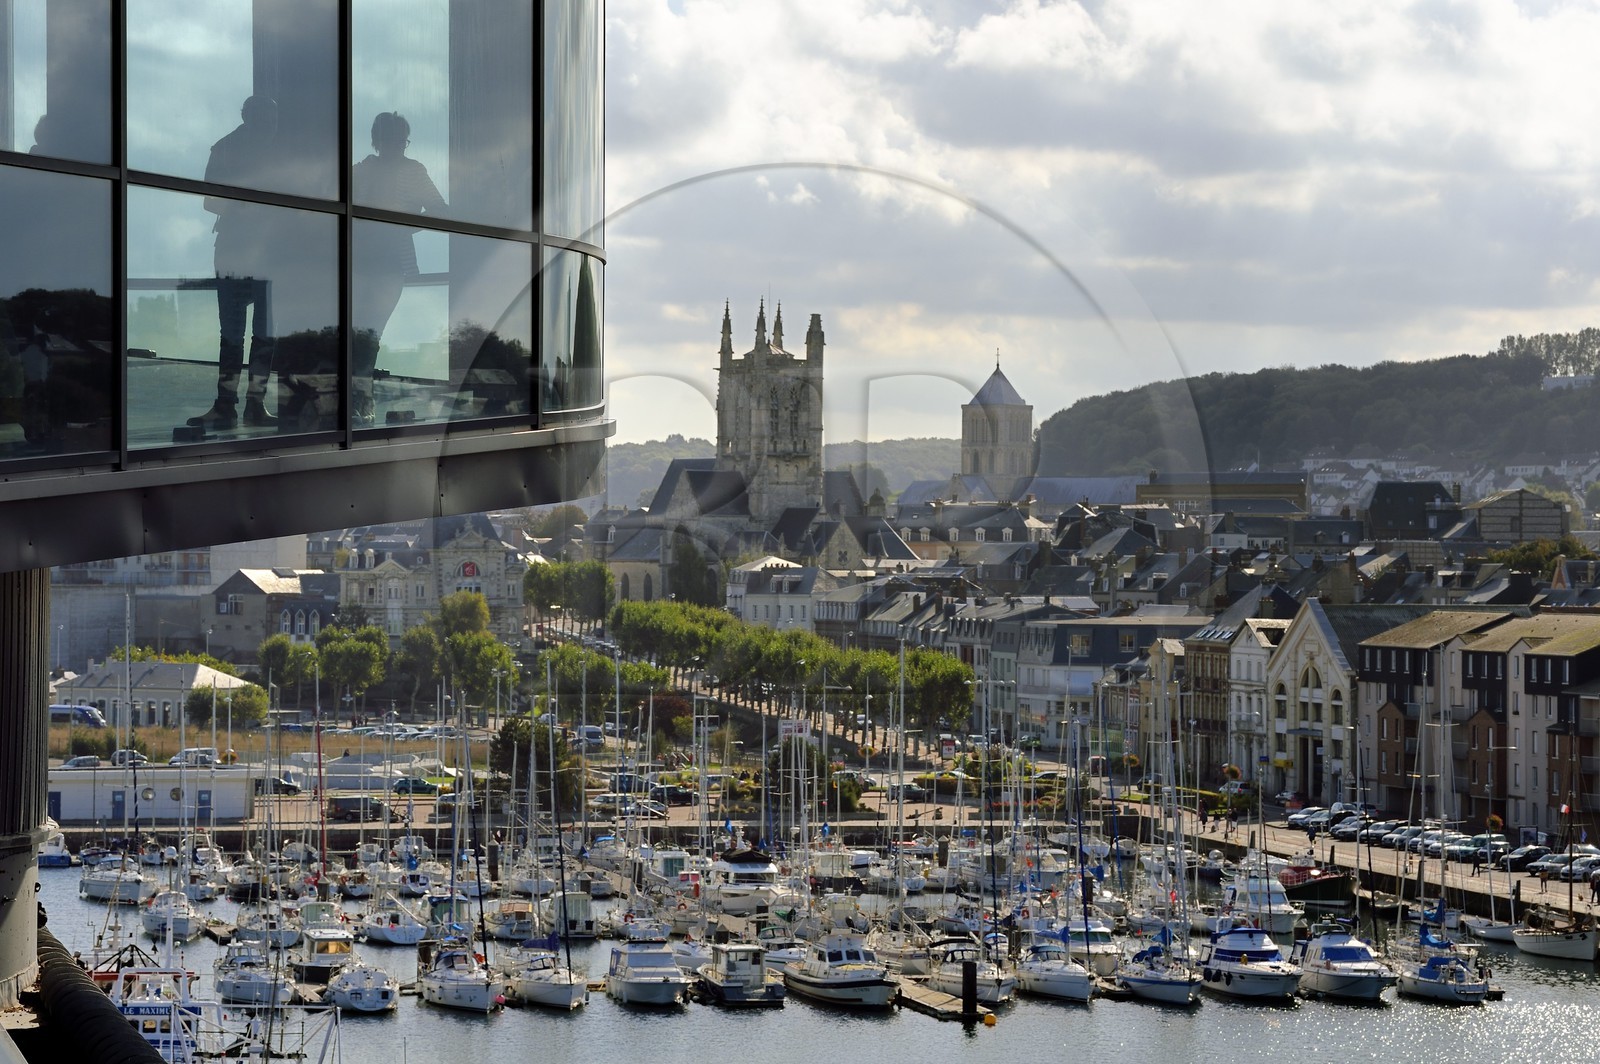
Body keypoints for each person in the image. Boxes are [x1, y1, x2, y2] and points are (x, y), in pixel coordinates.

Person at [188, 95, 281, 430]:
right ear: (248, 117)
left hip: (247, 248)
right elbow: (210, 199)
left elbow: (210, 201)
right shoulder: (233, 148)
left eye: (270, 119)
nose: (268, 125)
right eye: (263, 119)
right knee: (245, 333)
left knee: (245, 333)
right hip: (246, 249)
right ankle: (243, 405)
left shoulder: (229, 147)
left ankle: (235, 405)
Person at [351, 112, 446, 424]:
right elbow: (439, 210)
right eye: (398, 140)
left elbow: (439, 210)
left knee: (362, 332)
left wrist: (397, 227)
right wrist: (403, 226)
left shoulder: (360, 172)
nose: (400, 147)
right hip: (385, 260)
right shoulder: (409, 172)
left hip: (364, 260)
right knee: (368, 332)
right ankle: (360, 399)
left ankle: (358, 398)